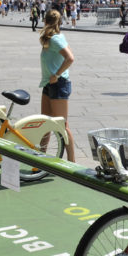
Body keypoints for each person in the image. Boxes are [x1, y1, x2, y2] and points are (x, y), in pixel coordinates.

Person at [38, 9, 76, 162]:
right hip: (49, 84)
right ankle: (40, 158)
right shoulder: (51, 38)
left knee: (62, 126)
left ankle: (72, 163)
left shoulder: (55, 39)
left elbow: (70, 58)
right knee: (45, 123)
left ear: (45, 21)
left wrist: (57, 74)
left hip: (58, 84)